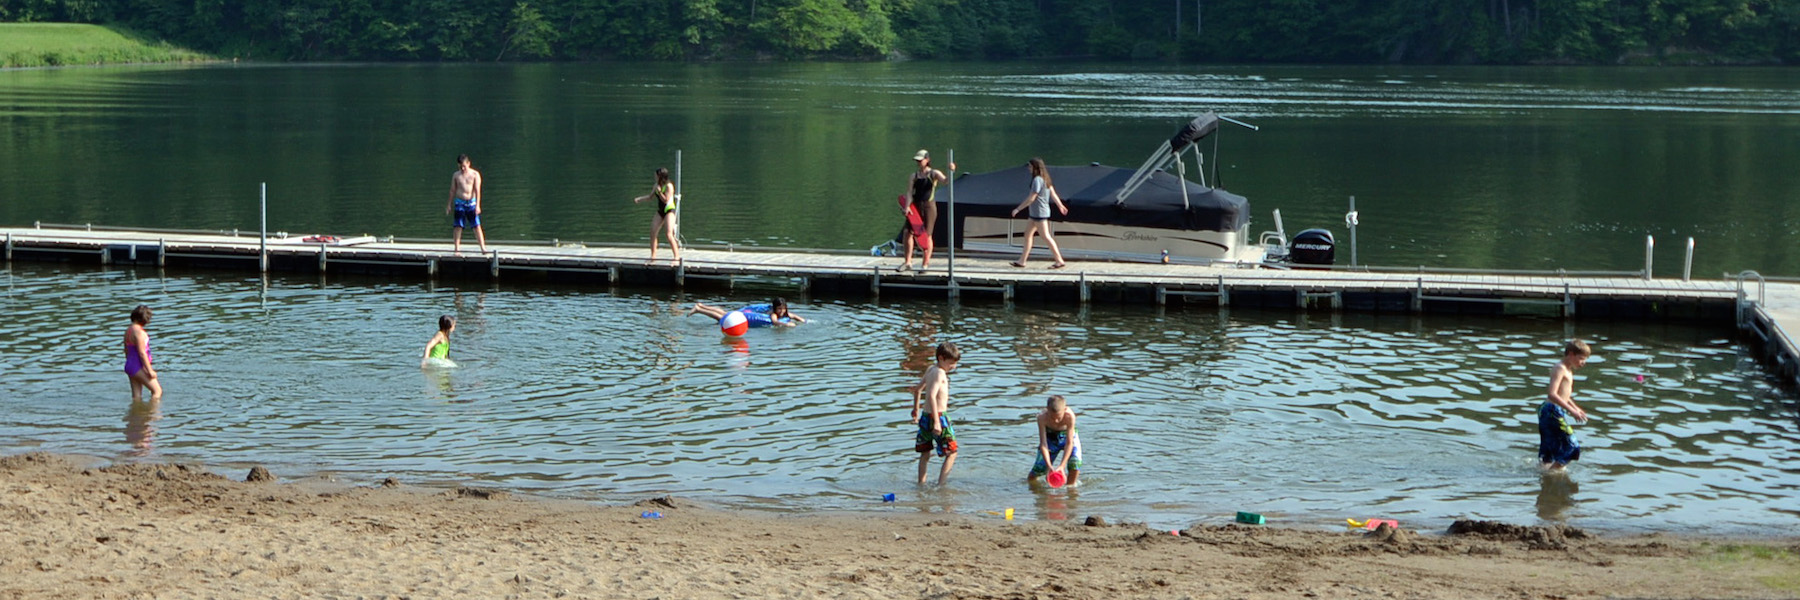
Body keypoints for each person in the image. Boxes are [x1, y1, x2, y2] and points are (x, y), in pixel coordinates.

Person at [911, 341, 961, 486]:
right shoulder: (939, 373)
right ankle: (941, 485)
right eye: (951, 363)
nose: (954, 367)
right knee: (952, 452)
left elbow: (918, 389)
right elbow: (931, 396)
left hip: (926, 417)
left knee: (925, 453)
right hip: (938, 416)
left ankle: (921, 483)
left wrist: (916, 410)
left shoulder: (930, 369)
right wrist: (938, 422)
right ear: (941, 358)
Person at [1539, 339, 1592, 470]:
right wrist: (1571, 411)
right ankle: (1552, 474)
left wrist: (1576, 408)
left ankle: (1545, 479)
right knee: (1572, 447)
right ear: (1571, 354)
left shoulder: (1568, 370)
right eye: (1581, 359)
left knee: (1550, 449)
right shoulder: (1560, 368)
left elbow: (1564, 395)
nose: (1583, 363)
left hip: (1550, 410)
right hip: (1551, 410)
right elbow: (1552, 394)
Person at [1009, 157, 1068, 269]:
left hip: (1039, 213)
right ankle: (1022, 261)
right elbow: (1053, 194)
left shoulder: (1037, 180)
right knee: (1027, 235)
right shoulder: (1045, 178)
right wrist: (1060, 205)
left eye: (1030, 167)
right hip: (1035, 213)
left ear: (1035, 167)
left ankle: (1059, 260)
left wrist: (1018, 209)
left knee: (1045, 236)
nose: (1029, 169)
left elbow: (1032, 198)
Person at [898, 149, 950, 273]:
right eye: (917, 161)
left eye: (920, 160)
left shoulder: (934, 173)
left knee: (927, 236)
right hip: (915, 207)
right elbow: (910, 192)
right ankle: (907, 262)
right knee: (907, 233)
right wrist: (907, 206)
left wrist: (951, 170)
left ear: (927, 160)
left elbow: (946, 181)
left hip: (929, 207)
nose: (918, 162)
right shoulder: (914, 176)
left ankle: (925, 264)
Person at [1028, 394, 1082, 487]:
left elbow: (1069, 443)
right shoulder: (1042, 418)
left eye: (1059, 417)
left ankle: (1070, 489)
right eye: (1052, 417)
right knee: (1040, 468)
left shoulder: (1070, 416)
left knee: (1075, 463)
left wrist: (1062, 466)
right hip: (1050, 437)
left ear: (1065, 409)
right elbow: (1043, 444)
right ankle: (1034, 488)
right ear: (1047, 410)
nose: (1056, 421)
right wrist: (1049, 466)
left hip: (1068, 437)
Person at [632, 167, 681, 264]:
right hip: (661, 211)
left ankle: (676, 256)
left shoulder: (669, 186)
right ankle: (653, 255)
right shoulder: (656, 185)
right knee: (653, 232)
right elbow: (650, 197)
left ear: (660, 176)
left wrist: (659, 191)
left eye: (656, 175)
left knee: (668, 234)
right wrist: (639, 199)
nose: (654, 177)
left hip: (669, 210)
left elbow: (666, 200)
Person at [446, 153, 487, 255]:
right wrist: (449, 204)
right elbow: (452, 190)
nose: (463, 168)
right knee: (458, 226)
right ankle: (457, 249)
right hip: (460, 202)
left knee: (476, 226)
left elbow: (477, 190)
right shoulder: (456, 175)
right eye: (460, 166)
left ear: (468, 163)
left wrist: (478, 205)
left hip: (471, 203)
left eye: (464, 166)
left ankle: (483, 248)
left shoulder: (475, 174)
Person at [686, 298, 806, 328]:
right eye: (779, 309)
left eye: (783, 309)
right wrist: (786, 325)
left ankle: (701, 306)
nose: (782, 311)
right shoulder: (774, 315)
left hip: (745, 315)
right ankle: (699, 310)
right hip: (746, 316)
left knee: (724, 313)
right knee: (721, 317)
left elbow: (794, 316)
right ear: (775, 309)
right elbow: (774, 322)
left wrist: (802, 321)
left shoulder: (785, 314)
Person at [124, 304, 161, 401]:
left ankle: (136, 415)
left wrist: (130, 363)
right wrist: (150, 370)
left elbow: (126, 350)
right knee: (157, 391)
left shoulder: (129, 330)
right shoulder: (140, 333)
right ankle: (152, 414)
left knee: (136, 396)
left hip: (130, 365)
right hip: (138, 366)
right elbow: (142, 353)